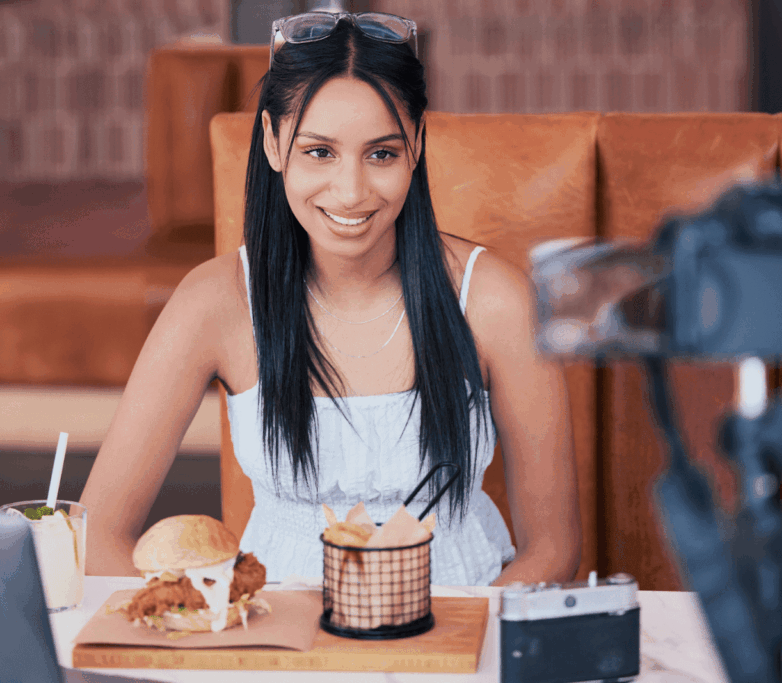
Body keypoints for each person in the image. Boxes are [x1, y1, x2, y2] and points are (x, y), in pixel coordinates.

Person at [81, 10, 581, 586]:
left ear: (417, 144)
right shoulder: (214, 301)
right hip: (277, 631)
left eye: (381, 154)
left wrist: (462, 636)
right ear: (273, 142)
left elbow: (553, 550)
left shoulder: (497, 301)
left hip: (460, 623)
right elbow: (96, 536)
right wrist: (202, 622)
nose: (350, 192)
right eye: (319, 152)